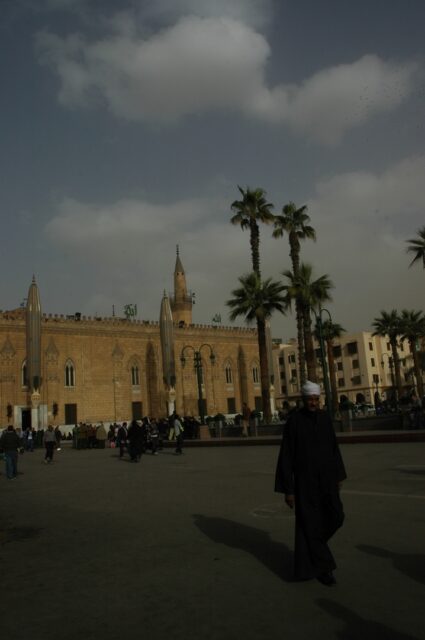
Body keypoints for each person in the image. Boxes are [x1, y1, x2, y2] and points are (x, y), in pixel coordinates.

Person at [275, 380, 347, 586]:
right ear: (303, 399)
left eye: (316, 399)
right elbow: (286, 456)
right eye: (310, 399)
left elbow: (333, 447)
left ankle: (310, 552)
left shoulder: (324, 419)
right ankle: (324, 568)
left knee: (336, 516)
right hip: (305, 484)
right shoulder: (294, 422)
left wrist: (339, 475)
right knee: (311, 524)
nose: (313, 403)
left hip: (327, 480)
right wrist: (289, 490)